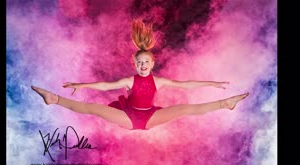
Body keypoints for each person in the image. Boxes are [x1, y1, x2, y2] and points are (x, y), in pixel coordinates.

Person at [31, 19, 249, 130]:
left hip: (150, 115)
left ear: (152, 63)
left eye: (146, 62)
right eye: (139, 62)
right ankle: (55, 99)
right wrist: (82, 84)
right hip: (128, 115)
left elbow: (186, 84)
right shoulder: (129, 81)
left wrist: (212, 83)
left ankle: (225, 103)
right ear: (134, 64)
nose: (143, 65)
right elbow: (106, 86)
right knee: (92, 109)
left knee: (186, 109)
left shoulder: (158, 80)